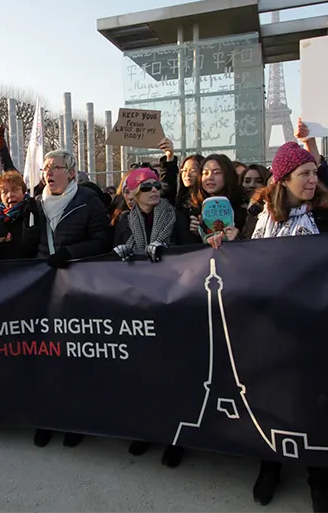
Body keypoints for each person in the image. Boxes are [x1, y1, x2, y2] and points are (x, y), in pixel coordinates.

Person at [235, 142, 328, 513]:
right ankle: (268, 467)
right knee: (268, 399)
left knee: (315, 404)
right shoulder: (258, 215)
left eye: (314, 172)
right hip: (268, 328)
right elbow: (239, 259)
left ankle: (319, 480)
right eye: (304, 173)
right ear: (283, 178)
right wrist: (224, 243)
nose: (312, 180)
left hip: (318, 329)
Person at [111, 166, 190, 468]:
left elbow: (191, 255)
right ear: (131, 194)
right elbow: (111, 259)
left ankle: (177, 438)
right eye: (146, 187)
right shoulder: (123, 223)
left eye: (157, 185)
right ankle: (146, 430)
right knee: (142, 374)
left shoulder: (175, 217)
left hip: (172, 305)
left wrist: (169, 252)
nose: (155, 190)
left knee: (173, 374)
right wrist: (119, 254)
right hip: (138, 308)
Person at [31, 149, 110, 448]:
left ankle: (76, 420)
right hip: (43, 289)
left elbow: (101, 241)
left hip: (77, 289)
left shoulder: (88, 203)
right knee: (43, 356)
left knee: (74, 357)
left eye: (56, 167)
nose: (49, 172)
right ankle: (46, 418)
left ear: (72, 172)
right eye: (46, 168)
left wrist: (70, 254)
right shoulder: (36, 205)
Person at [183, 154, 248, 244]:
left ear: (228, 175)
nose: (210, 177)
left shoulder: (244, 210)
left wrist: (238, 238)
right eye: (205, 173)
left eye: (216, 172)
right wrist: (195, 234)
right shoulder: (192, 209)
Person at [0, 171, 37, 260]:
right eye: (5, 191)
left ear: (23, 192)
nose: (10, 195)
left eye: (15, 189)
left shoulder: (31, 215)